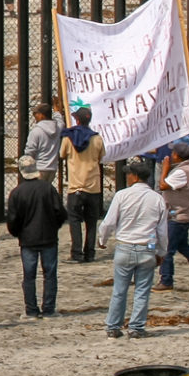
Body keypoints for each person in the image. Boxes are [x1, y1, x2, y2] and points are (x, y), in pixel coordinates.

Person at [98, 160, 166, 339]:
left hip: (124, 246)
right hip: (147, 246)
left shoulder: (122, 195)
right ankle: (136, 327)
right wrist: (160, 252)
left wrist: (102, 239)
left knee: (120, 290)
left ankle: (113, 326)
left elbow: (109, 222)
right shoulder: (157, 198)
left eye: (129, 174)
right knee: (142, 290)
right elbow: (161, 231)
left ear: (134, 177)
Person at [3, 155, 66, 317]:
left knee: (29, 275)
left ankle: (31, 309)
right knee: (50, 274)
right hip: (48, 237)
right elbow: (60, 213)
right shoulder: (48, 189)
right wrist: (54, 227)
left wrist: (18, 233)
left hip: (28, 239)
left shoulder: (17, 193)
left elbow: (13, 219)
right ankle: (49, 309)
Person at [155, 139, 189, 290]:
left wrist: (164, 168)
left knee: (167, 249)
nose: (171, 155)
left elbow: (163, 185)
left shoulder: (181, 172)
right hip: (182, 214)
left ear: (177, 156)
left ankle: (166, 280)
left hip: (178, 216)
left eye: (173, 153)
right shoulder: (187, 168)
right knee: (183, 246)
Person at [60, 106, 105, 262]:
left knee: (74, 220)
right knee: (91, 222)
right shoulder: (97, 138)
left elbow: (62, 154)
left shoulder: (69, 138)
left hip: (75, 184)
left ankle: (76, 252)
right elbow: (101, 157)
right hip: (93, 185)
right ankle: (90, 252)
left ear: (77, 120)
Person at [22, 104, 61, 178]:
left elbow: (30, 151)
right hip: (52, 169)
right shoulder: (58, 128)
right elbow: (60, 120)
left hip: (39, 168)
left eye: (35, 113)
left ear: (42, 115)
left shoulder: (36, 131)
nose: (34, 116)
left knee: (37, 189)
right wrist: (56, 111)